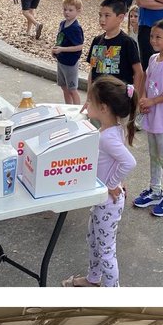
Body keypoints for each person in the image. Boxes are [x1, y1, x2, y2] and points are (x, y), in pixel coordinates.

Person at [62, 75, 136, 288]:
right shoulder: (111, 129)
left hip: (108, 202)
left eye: (90, 101)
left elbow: (129, 162)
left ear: (103, 108)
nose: (87, 104)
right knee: (94, 241)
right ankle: (93, 279)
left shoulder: (107, 137)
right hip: (101, 199)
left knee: (105, 250)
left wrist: (112, 183)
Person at [133, 16, 163, 219]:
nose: (154, 41)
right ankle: (155, 191)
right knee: (154, 155)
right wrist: (143, 98)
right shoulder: (154, 59)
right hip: (152, 117)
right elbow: (145, 78)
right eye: (152, 36)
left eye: (159, 37)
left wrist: (153, 102)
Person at [86, 0, 144, 98]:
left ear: (120, 17)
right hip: (98, 97)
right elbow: (92, 70)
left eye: (107, 15)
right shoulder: (97, 41)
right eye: (100, 15)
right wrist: (89, 96)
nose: (102, 19)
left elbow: (138, 72)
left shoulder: (128, 42)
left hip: (119, 100)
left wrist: (133, 97)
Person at [51, 0, 84, 103]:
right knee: (64, 87)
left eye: (70, 10)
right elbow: (60, 39)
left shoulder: (76, 28)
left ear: (78, 11)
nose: (67, 12)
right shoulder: (62, 24)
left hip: (70, 62)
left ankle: (76, 109)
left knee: (72, 89)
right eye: (65, 9)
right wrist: (56, 50)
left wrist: (62, 49)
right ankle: (67, 107)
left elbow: (79, 46)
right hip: (61, 60)